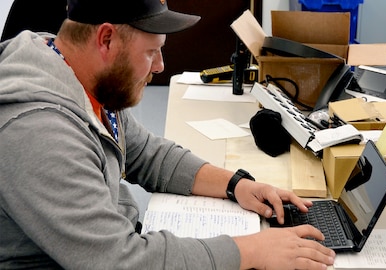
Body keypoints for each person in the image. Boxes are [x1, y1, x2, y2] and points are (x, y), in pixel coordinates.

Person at [0, 0, 335, 269]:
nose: (160, 65)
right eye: (151, 51)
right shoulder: (40, 131)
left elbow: (148, 154)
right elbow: (119, 259)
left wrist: (238, 185)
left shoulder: (81, 77)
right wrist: (249, 252)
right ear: (105, 40)